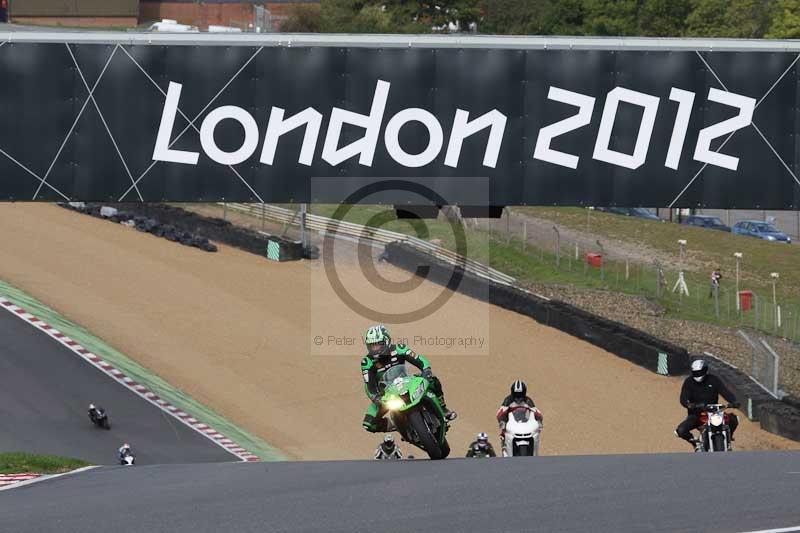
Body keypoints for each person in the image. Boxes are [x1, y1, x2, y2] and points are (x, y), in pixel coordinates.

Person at [361, 325, 457, 434]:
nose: (375, 348)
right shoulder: (367, 362)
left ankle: (443, 409)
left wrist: (426, 370)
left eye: (378, 344)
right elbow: (369, 385)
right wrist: (376, 398)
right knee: (368, 424)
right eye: (372, 346)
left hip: (408, 382)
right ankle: (397, 427)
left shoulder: (399, 348)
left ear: (386, 341)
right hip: (386, 394)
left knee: (433, 380)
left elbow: (420, 360)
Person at [675, 359, 739, 451]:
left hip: (714, 412)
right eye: (695, 372)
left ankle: (728, 440)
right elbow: (683, 398)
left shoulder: (713, 380)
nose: (698, 374)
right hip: (696, 414)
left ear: (705, 370)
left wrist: (734, 401)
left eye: (700, 372)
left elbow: (725, 392)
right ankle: (695, 443)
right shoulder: (688, 382)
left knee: (733, 419)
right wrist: (689, 405)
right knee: (681, 430)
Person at [496, 380, 542, 447]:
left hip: (525, 422)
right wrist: (502, 421)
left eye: (520, 394)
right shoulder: (508, 400)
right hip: (510, 422)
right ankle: (504, 439)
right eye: (516, 394)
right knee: (503, 429)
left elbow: (537, 412)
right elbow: (500, 413)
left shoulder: (528, 401)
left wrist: (539, 421)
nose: (518, 397)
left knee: (535, 431)